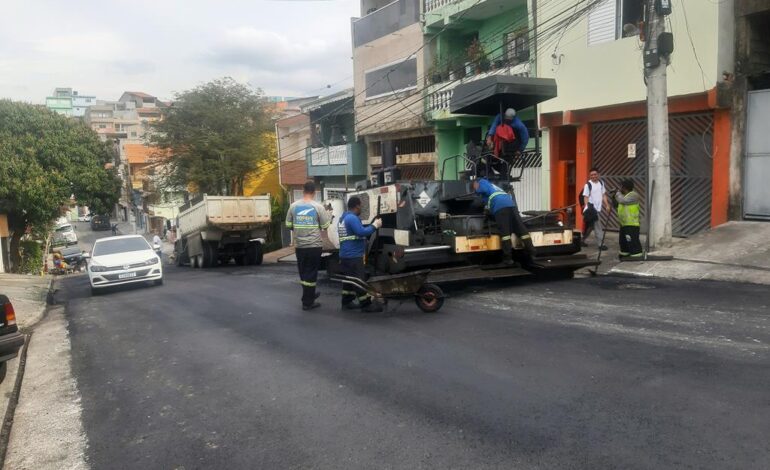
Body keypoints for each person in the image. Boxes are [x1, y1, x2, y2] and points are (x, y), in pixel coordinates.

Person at [285, 181, 332, 311]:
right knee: (311, 273)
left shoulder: (293, 206)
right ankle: (307, 302)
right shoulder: (318, 207)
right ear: (314, 191)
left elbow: (288, 225)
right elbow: (325, 226)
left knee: (304, 272)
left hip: (300, 246)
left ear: (302, 189)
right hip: (314, 246)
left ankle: (309, 294)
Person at [473, 177, 536, 265]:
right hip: (511, 204)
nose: (474, 187)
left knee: (505, 234)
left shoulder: (483, 182)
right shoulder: (495, 187)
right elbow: (487, 201)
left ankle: (508, 259)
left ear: (476, 182)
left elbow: (483, 189)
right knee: (521, 230)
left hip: (500, 207)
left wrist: (476, 191)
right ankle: (532, 253)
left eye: (474, 185)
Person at [337, 196, 383, 312]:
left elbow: (355, 232)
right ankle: (366, 304)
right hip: (353, 256)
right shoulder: (352, 218)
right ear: (357, 205)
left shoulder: (343, 218)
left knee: (349, 280)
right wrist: (374, 226)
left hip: (345, 255)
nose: (361, 207)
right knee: (359, 280)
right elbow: (361, 232)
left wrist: (371, 225)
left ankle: (346, 302)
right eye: (361, 205)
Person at [612, 179, 643, 258]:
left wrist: (617, 193)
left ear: (625, 187)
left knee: (632, 242)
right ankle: (624, 254)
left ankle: (636, 255)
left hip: (632, 224)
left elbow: (623, 201)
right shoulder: (623, 196)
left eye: (621, 187)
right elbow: (616, 205)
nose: (620, 188)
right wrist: (613, 197)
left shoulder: (634, 195)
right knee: (623, 242)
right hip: (624, 224)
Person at [580, 167, 610, 250]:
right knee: (598, 226)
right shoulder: (588, 185)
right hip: (592, 209)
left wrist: (607, 205)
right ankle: (601, 244)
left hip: (598, 208)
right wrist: (587, 207)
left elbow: (604, 195)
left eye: (595, 174)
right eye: (591, 175)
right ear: (589, 176)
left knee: (590, 226)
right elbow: (585, 197)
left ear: (598, 175)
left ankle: (582, 240)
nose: (593, 176)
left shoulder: (601, 183)